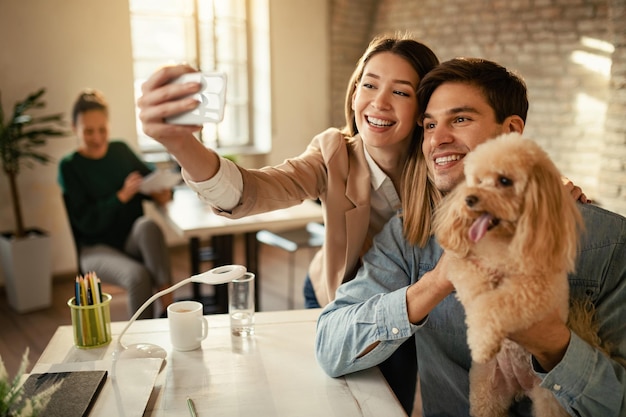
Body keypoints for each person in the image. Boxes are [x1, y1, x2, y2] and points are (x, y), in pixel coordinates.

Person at [138, 33, 439, 414]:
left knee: (396, 394)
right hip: (337, 297)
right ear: (353, 93)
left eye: (401, 92)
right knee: (350, 399)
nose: (378, 102)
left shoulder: (438, 163)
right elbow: (254, 190)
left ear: (422, 109)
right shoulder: (334, 153)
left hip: (411, 303)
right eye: (370, 84)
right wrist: (182, 144)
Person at [315, 57, 626, 416]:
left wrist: (554, 344)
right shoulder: (410, 235)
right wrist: (434, 284)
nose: (438, 139)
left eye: (460, 119)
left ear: (510, 130)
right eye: (430, 125)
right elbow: (330, 346)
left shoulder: (608, 241)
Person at [58, 89, 174, 320]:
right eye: (88, 131)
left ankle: (169, 307)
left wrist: (161, 192)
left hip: (130, 240)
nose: (98, 138)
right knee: (138, 275)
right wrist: (120, 197)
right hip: (95, 248)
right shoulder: (70, 166)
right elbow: (87, 222)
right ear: (74, 128)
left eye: (103, 129)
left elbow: (148, 177)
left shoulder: (120, 150)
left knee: (148, 226)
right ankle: (143, 340)